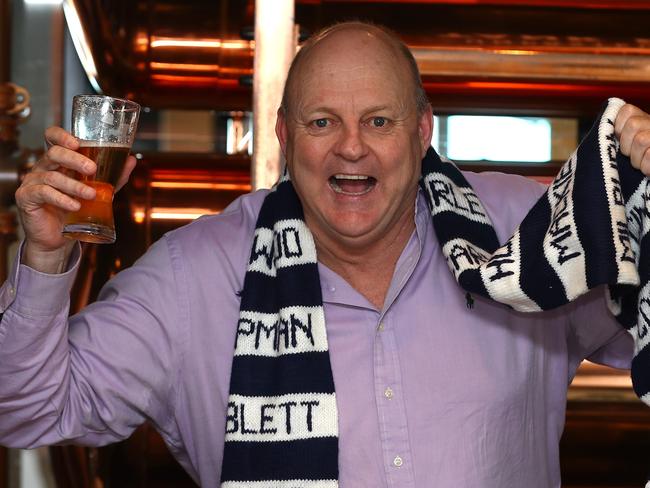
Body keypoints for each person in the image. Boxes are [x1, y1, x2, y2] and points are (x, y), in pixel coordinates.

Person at [2, 21, 650, 487]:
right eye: (321, 122)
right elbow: (25, 409)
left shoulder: (522, 230)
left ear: (422, 130)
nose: (351, 149)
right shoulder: (192, 277)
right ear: (284, 135)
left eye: (378, 120)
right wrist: (46, 259)